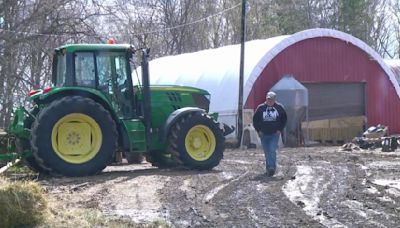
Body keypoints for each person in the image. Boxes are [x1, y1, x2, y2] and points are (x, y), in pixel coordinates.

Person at [253, 91, 287, 177]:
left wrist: (280, 129)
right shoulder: (260, 108)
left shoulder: (279, 108)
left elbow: (284, 119)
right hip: (263, 134)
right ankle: (268, 167)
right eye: (268, 99)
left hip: (274, 134)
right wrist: (258, 130)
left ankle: (272, 167)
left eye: (271, 100)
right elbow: (255, 120)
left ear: (275, 100)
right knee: (267, 151)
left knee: (272, 149)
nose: (269, 101)